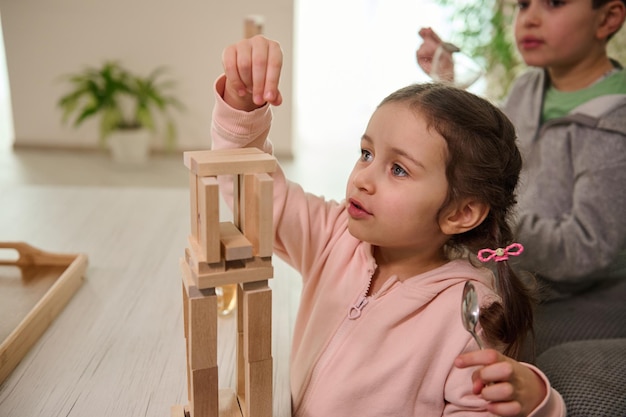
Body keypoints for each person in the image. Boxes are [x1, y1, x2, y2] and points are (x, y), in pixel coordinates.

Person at [213, 35, 565, 416]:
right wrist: (243, 106)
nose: (363, 178)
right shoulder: (335, 235)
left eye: (398, 169)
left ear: (461, 213)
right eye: (366, 153)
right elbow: (249, 192)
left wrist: (536, 403)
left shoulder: (469, 317)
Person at [417, 0, 626, 301]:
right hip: (499, 267)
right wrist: (448, 78)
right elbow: (489, 142)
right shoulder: (527, 87)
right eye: (523, 5)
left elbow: (585, 249)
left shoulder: (613, 123)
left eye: (554, 4)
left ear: (608, 18)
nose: (529, 19)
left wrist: (485, 223)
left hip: (561, 297)